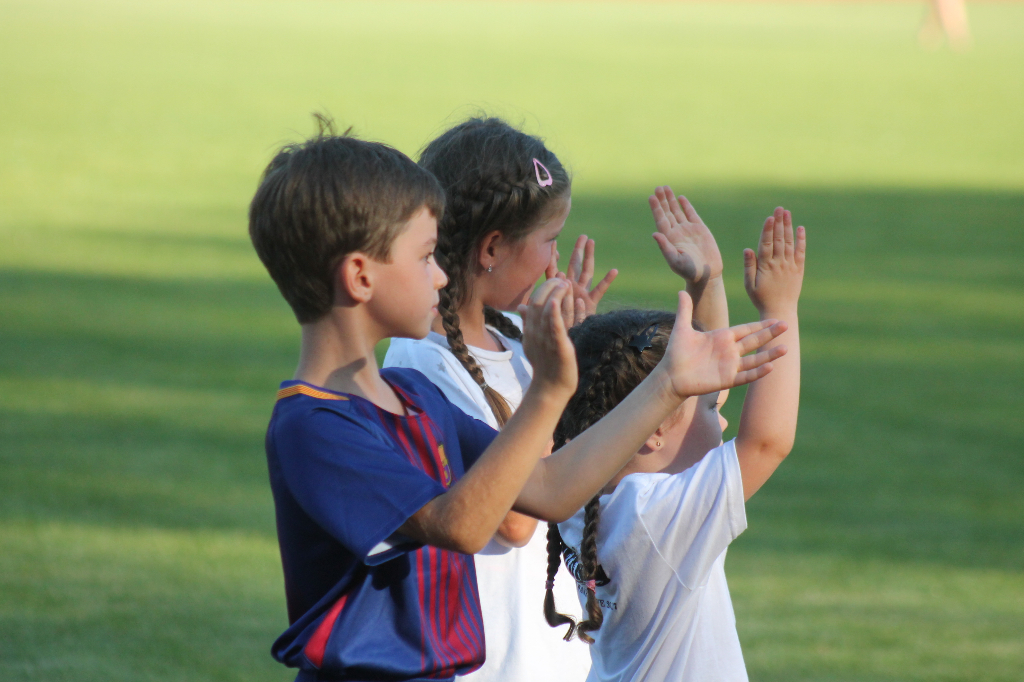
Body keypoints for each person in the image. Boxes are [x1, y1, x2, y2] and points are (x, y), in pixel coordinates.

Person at [248, 119, 789, 682]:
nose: (440, 276)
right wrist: (551, 389)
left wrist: (668, 385)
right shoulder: (315, 425)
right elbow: (463, 524)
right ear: (360, 276)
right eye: (426, 256)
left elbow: (550, 487)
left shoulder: (411, 398)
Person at [384, 117, 615, 682]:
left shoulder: (512, 336)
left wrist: (575, 357)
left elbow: (584, 468)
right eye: (549, 240)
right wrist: (550, 383)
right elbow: (514, 521)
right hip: (499, 662)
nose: (554, 262)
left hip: (557, 652)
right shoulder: (422, 365)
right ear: (491, 247)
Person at [547, 196, 806, 682]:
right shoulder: (657, 516)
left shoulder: (578, 493)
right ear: (654, 432)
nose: (722, 417)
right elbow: (766, 442)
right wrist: (780, 307)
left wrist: (706, 283)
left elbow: (703, 383)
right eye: (710, 409)